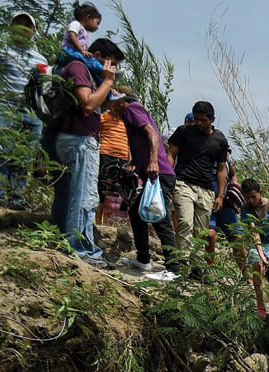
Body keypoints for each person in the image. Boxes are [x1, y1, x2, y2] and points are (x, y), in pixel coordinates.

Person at [50, 37, 122, 269]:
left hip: (84, 139)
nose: (112, 69)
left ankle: (87, 248)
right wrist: (108, 82)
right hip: (79, 140)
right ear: (97, 55)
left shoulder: (91, 75)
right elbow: (88, 104)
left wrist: (109, 89)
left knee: (85, 196)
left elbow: (98, 107)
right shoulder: (78, 67)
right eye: (111, 63)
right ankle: (78, 248)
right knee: (85, 197)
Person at [0, 12, 47, 209]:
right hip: (2, 106)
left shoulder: (39, 58)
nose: (22, 28)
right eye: (17, 24)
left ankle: (17, 200)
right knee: (1, 152)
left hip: (30, 111)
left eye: (26, 26)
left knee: (24, 157)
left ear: (33, 32)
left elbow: (43, 89)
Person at [114, 91, 179, 280]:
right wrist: (134, 162)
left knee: (161, 219)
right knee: (136, 212)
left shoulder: (132, 108)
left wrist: (152, 161)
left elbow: (152, 133)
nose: (111, 108)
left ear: (121, 101)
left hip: (159, 173)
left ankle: (174, 269)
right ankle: (143, 259)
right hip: (156, 172)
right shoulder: (131, 114)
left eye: (112, 104)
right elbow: (145, 139)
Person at [167, 101, 229, 269]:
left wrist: (220, 195)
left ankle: (196, 267)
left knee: (201, 232)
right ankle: (182, 262)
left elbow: (222, 169)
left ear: (212, 119)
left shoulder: (220, 139)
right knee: (185, 223)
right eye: (196, 119)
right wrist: (168, 179)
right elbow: (171, 154)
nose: (199, 123)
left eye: (203, 120)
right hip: (183, 183)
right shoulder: (184, 131)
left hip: (206, 190)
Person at [240, 178, 269, 318]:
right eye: (247, 197)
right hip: (256, 244)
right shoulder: (246, 208)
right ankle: (260, 304)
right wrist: (261, 254)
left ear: (260, 192)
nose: (251, 200)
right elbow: (254, 231)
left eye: (254, 197)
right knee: (256, 265)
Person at [95, 106, 131, 225]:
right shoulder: (103, 117)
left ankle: (123, 222)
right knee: (102, 186)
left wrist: (131, 161)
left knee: (124, 190)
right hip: (106, 154)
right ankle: (98, 220)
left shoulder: (127, 120)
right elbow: (97, 135)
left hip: (123, 158)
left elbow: (129, 141)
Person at [205, 161, 244, 267]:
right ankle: (210, 269)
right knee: (210, 235)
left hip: (225, 204)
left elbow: (232, 174)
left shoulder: (226, 156)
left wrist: (233, 188)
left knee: (237, 237)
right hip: (206, 202)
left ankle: (246, 274)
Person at [58, 3, 103, 75]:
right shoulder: (76, 24)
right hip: (69, 51)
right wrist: (82, 50)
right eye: (97, 23)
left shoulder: (83, 30)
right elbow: (72, 36)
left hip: (74, 52)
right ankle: (104, 70)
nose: (97, 27)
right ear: (88, 17)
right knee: (89, 60)